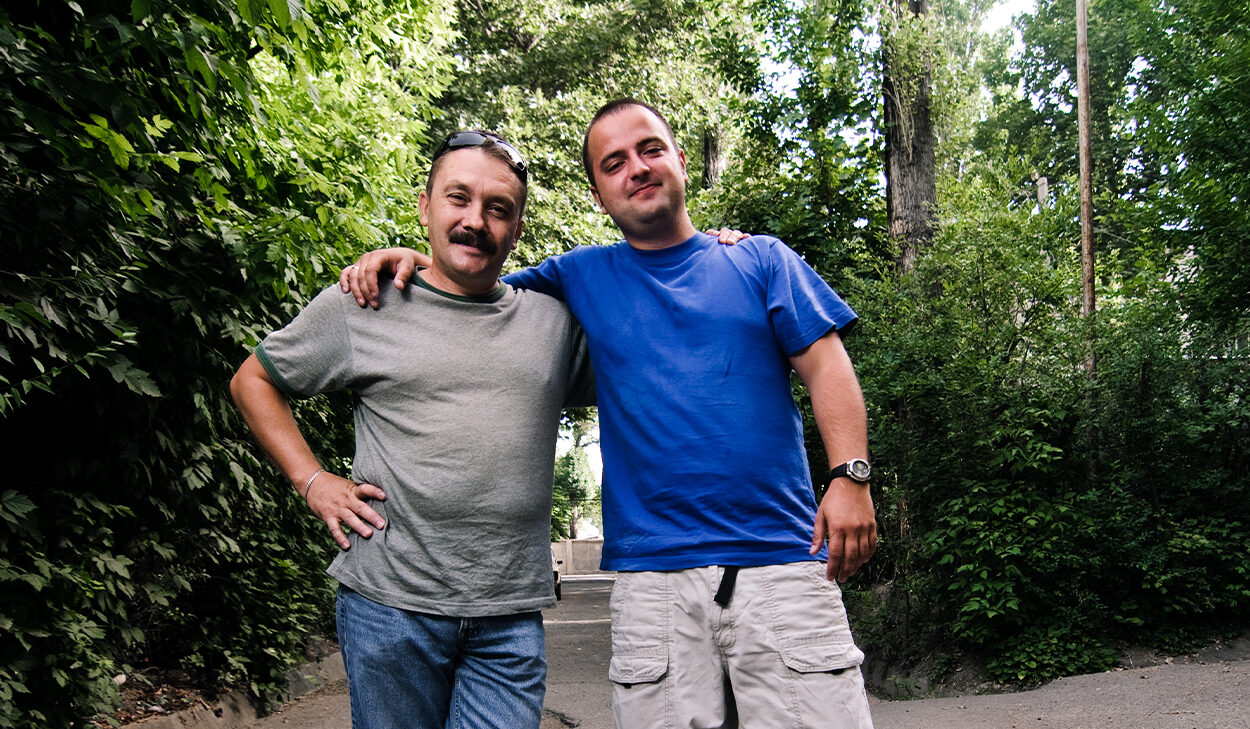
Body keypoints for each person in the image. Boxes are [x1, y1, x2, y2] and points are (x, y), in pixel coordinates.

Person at [343, 100, 877, 729]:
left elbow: (827, 367)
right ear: (598, 195)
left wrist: (851, 476)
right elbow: (472, 284)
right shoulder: (578, 276)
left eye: (651, 149)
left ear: (681, 160)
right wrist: (411, 259)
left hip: (783, 559)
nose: (637, 168)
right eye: (614, 163)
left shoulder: (760, 260)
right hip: (653, 582)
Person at [230, 130, 597, 729]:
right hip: (389, 608)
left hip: (508, 617)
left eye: (497, 208)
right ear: (426, 207)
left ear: (516, 229)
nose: (474, 220)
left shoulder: (553, 325)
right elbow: (253, 380)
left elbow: (650, 343)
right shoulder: (364, 303)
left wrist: (709, 254)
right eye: (458, 198)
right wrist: (312, 480)